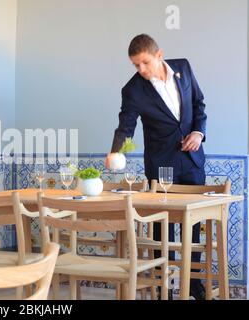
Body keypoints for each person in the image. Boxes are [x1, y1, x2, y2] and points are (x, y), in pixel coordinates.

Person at [105, 34, 207, 300]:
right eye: (136, 65)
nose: (141, 70)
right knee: (162, 227)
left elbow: (199, 104)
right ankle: (164, 287)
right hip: (161, 166)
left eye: (145, 63)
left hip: (192, 162)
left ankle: (192, 283)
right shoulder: (133, 90)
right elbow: (126, 125)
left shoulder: (183, 68)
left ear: (159, 55)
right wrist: (116, 150)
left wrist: (198, 132)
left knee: (193, 227)